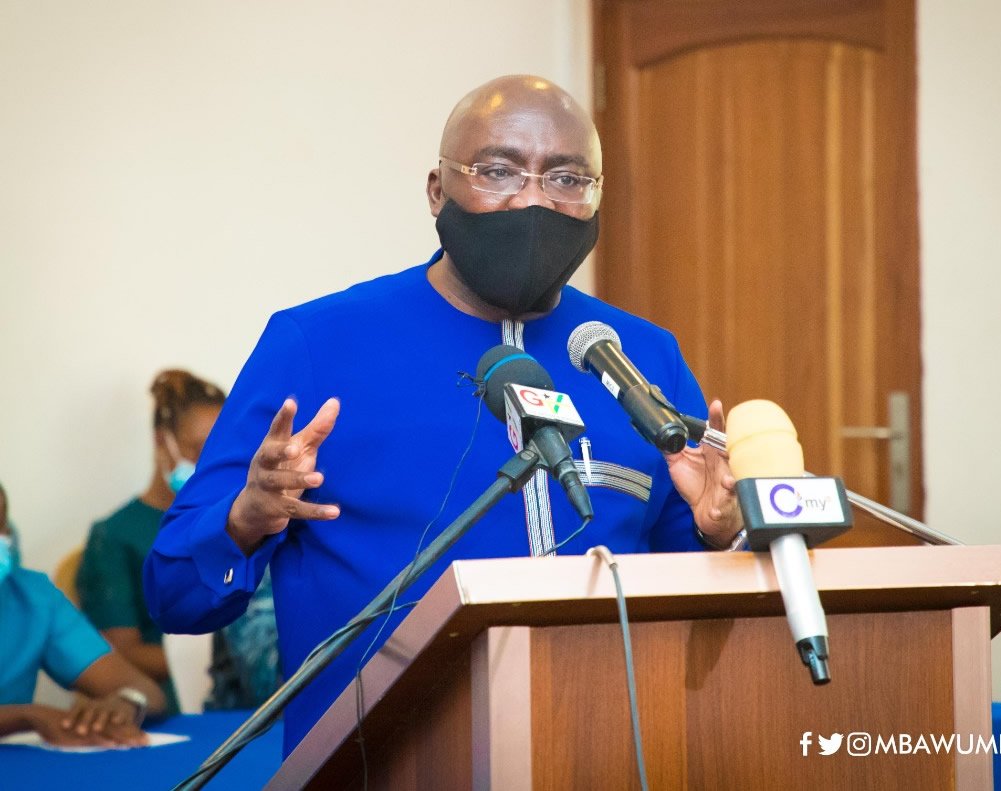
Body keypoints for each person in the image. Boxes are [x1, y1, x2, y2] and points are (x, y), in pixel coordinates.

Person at [145, 74, 743, 756]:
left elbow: (696, 591)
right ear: (437, 190)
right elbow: (174, 593)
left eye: (567, 179)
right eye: (498, 171)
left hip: (605, 750)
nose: (533, 200)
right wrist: (245, 518)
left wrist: (720, 532)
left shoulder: (640, 355)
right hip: (379, 761)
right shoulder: (317, 345)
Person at [77, 369, 227, 715]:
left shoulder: (237, 522)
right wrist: (223, 661)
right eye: (199, 449)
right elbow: (118, 652)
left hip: (247, 704)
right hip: (165, 709)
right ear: (163, 441)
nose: (212, 464)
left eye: (222, 450)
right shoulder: (114, 536)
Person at [0, 481, 167, 747]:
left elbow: (144, 688)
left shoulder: (34, 598)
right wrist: (24, 716)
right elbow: (28, 716)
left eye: (0, 525)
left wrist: (126, 702)